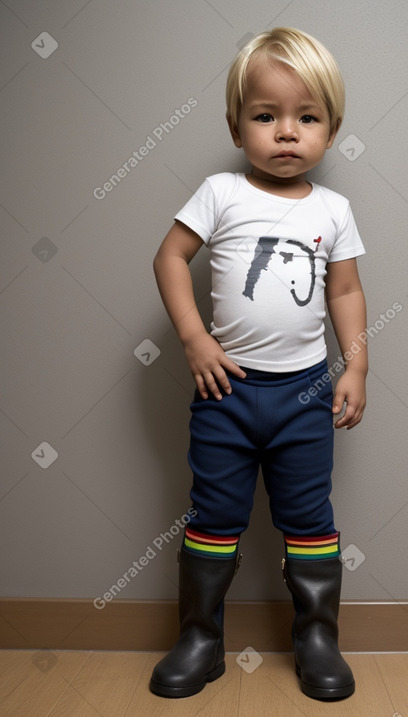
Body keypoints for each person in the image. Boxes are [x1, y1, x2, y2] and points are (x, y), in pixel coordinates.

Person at [150, 26, 367, 702]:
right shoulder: (220, 193)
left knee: (309, 516)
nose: (285, 133)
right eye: (265, 116)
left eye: (306, 118)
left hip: (305, 396)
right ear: (235, 124)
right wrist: (194, 337)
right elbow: (169, 258)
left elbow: (346, 291)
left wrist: (356, 366)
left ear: (331, 131)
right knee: (213, 511)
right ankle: (200, 637)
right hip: (227, 391)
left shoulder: (334, 210)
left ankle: (316, 637)